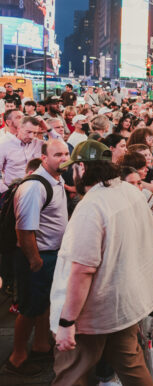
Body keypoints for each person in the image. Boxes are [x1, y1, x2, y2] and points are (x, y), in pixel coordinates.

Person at [50, 140, 153, 385]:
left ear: (81, 168)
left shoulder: (91, 205)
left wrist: (67, 322)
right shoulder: (131, 191)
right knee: (132, 366)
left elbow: (82, 270)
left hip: (92, 313)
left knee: (71, 374)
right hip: (125, 303)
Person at [4, 140, 69, 376]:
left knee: (44, 303)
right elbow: (24, 230)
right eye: (57, 154)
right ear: (44, 158)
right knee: (29, 308)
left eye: (66, 153)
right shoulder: (34, 186)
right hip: (37, 256)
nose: (64, 158)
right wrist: (35, 261)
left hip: (51, 255)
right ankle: (17, 358)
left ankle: (41, 345)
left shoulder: (57, 180)